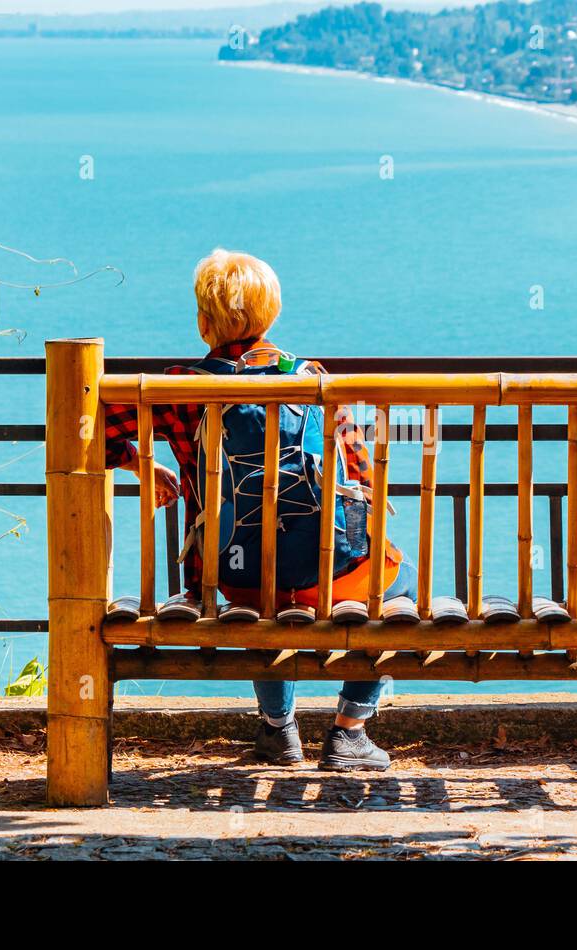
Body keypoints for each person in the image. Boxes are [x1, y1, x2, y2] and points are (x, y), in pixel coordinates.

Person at [104, 248, 415, 771]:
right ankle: (349, 730)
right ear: (271, 316)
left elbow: (89, 432)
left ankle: (278, 730)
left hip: (233, 579)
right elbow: (360, 474)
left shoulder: (179, 388)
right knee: (399, 583)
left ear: (205, 324)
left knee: (264, 580)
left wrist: (141, 464)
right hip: (331, 576)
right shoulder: (313, 379)